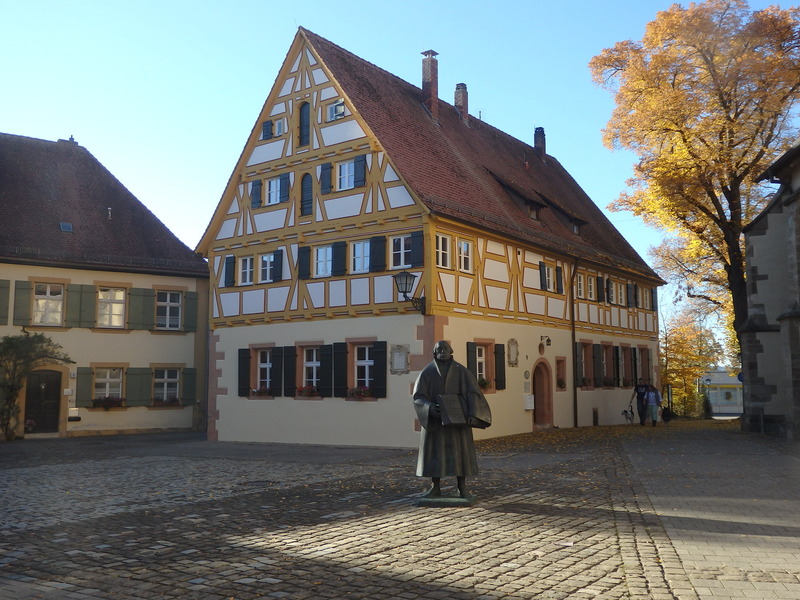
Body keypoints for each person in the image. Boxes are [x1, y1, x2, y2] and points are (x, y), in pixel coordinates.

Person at [412, 340, 491, 499]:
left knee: (460, 454)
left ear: (451, 351)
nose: (442, 351)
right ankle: (435, 487)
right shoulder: (427, 372)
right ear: (434, 353)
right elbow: (418, 396)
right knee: (435, 454)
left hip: (458, 423)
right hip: (436, 422)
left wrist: (471, 414)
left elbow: (473, 393)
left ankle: (461, 487)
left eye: (445, 349)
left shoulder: (462, 371)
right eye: (439, 349)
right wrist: (429, 407)